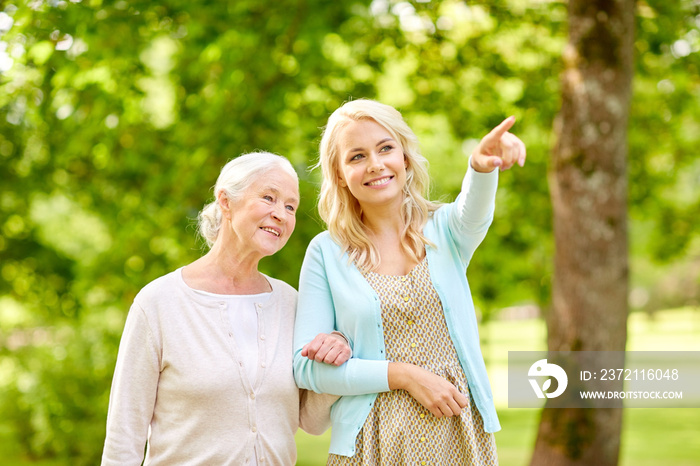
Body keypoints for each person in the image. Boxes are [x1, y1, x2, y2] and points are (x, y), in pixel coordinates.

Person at [293, 99, 526, 464]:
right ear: (339, 174)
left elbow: (476, 207)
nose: (375, 164)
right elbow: (307, 367)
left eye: (385, 148)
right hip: (369, 445)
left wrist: (481, 166)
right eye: (356, 156)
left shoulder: (448, 230)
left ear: (404, 157)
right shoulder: (326, 252)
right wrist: (403, 375)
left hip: (458, 437)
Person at [101, 152, 351, 466]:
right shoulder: (159, 304)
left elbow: (311, 422)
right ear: (226, 201)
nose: (281, 214)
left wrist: (336, 356)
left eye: (290, 206)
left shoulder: (291, 303)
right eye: (268, 197)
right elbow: (124, 439)